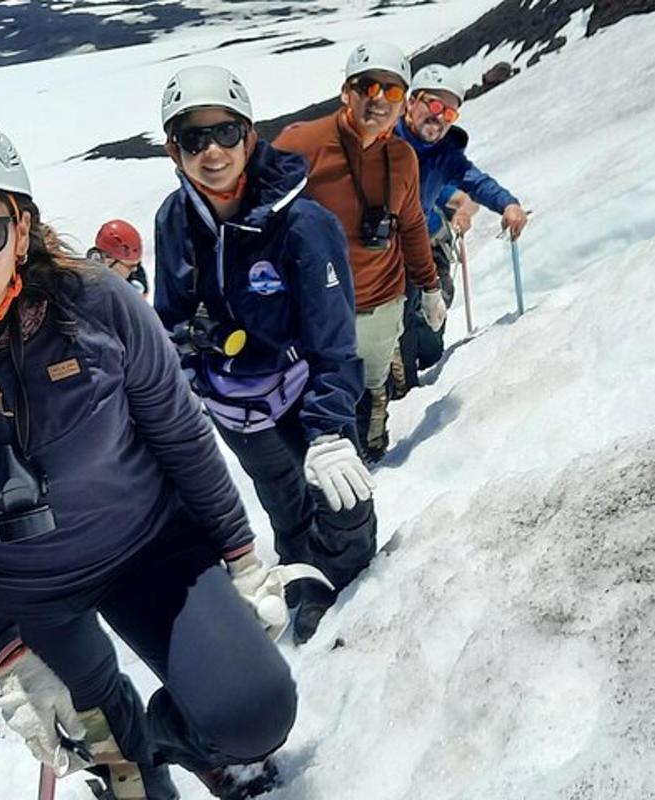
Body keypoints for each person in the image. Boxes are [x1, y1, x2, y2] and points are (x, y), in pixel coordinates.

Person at [0, 107, 299, 800]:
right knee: (117, 771)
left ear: (19, 231)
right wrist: (6, 659)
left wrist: (240, 556)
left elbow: (178, 432)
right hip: (23, 594)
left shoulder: (97, 306)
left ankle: (168, 740)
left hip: (150, 548)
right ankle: (136, 764)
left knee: (254, 711)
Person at [154, 66, 376, 645]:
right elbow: (171, 316)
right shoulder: (173, 220)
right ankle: (310, 590)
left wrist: (329, 429)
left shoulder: (303, 223)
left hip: (305, 394)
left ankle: (357, 592)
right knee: (285, 506)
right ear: (173, 151)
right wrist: (185, 376)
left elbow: (334, 338)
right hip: (237, 408)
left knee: (344, 501)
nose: (212, 151)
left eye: (225, 132)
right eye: (193, 138)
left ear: (250, 137)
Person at [274, 41, 446, 463]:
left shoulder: (402, 158)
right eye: (367, 87)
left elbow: (411, 226)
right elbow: (258, 218)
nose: (379, 100)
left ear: (403, 102)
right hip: (318, 308)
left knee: (372, 386)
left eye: (391, 92)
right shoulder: (303, 144)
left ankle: (373, 449)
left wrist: (429, 287)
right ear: (346, 92)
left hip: (381, 301)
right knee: (326, 393)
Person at [391, 64, 528, 395]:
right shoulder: (382, 140)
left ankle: (402, 395)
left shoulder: (444, 155)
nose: (439, 117)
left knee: (408, 323)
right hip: (365, 253)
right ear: (411, 102)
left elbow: (475, 182)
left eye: (449, 112)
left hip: (410, 251)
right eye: (433, 105)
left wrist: (508, 204)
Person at [88, 219, 150, 300]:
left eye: (137, 264)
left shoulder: (135, 275)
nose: (135, 270)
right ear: (108, 261)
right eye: (131, 267)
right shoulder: (88, 288)